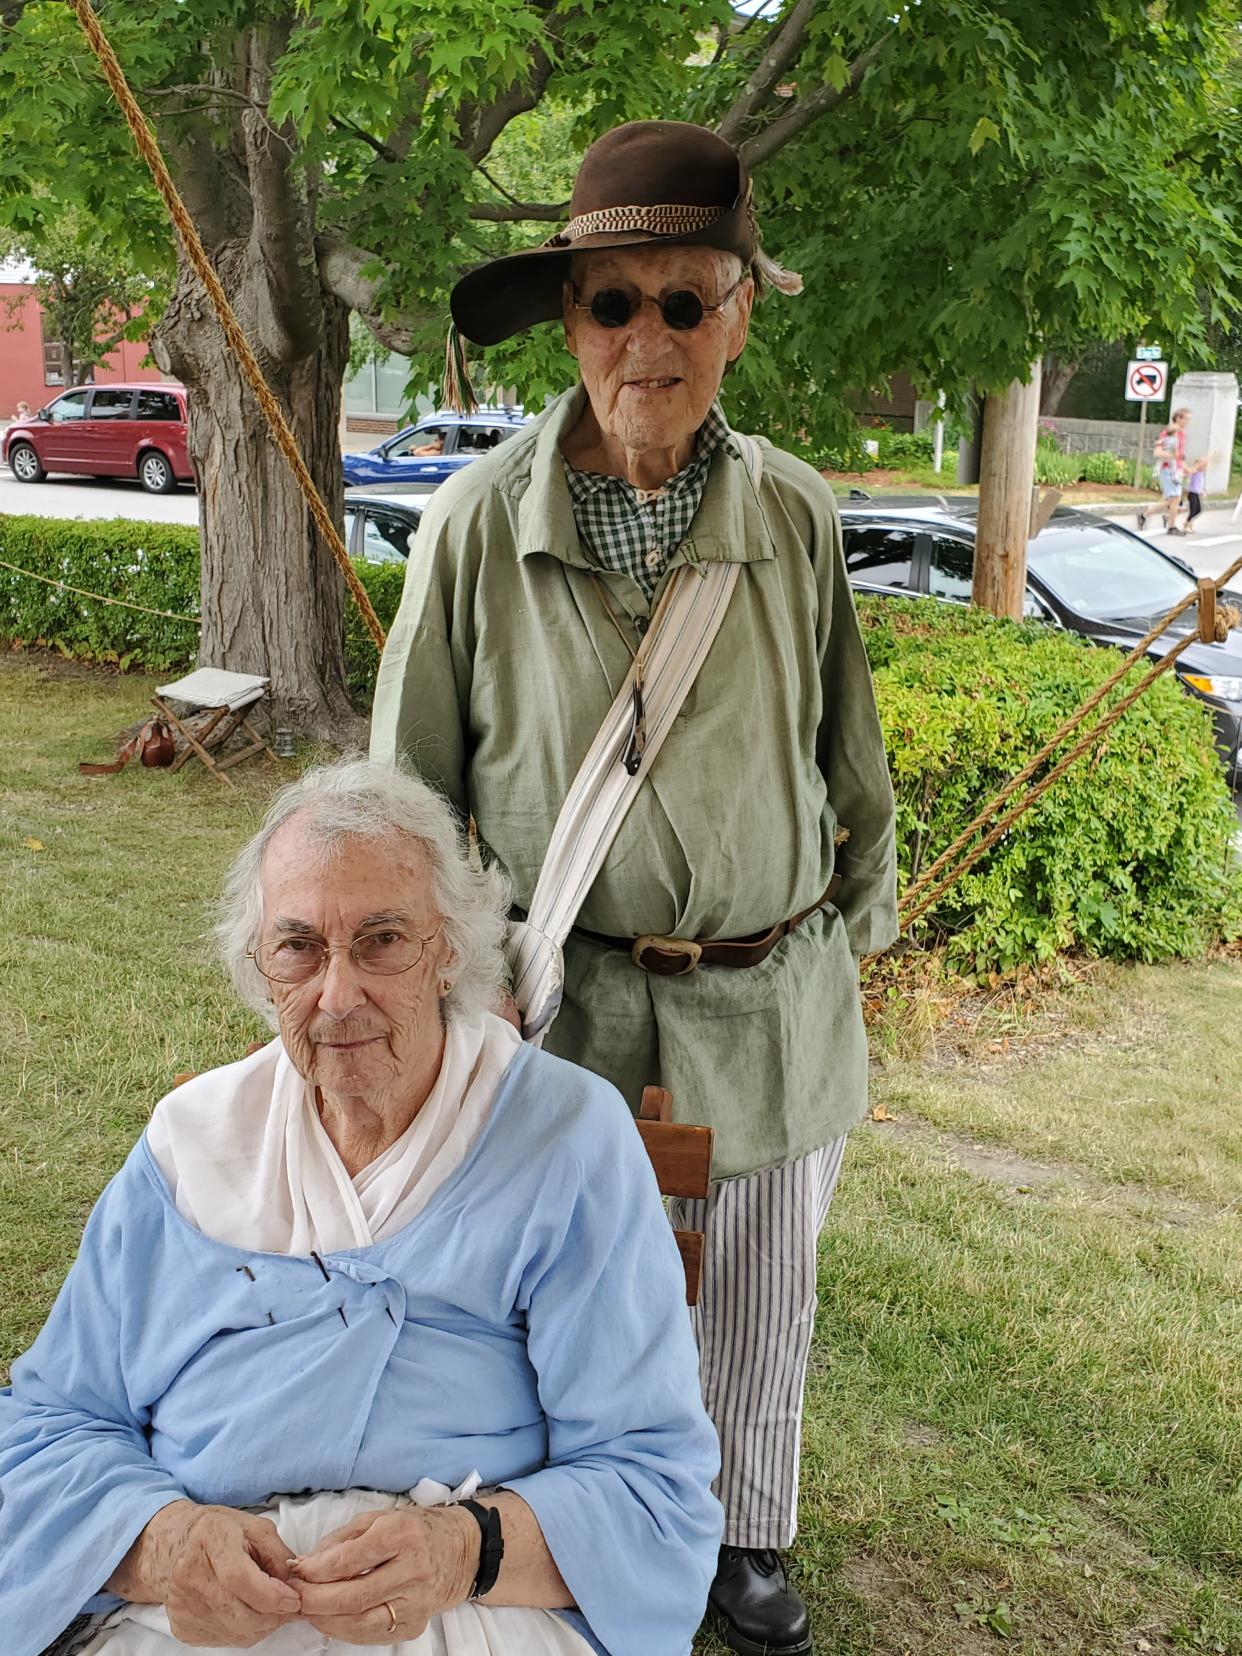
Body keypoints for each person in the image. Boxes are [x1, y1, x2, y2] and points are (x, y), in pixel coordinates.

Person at [371, 121, 899, 1656]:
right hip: (568, 1002)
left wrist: (849, 939)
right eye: (616, 302)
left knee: (755, 1292)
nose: (647, 339)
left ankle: (743, 1536)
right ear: (570, 320)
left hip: (767, 991)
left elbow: (843, 749)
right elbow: (410, 799)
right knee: (570, 1295)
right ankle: (582, 1524)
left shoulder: (791, 514)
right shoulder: (476, 527)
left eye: (686, 300)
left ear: (737, 313)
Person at [0, 759, 722, 1656]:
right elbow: (50, 1425)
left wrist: (465, 1549)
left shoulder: (566, 1141)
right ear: (258, 965)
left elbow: (651, 1478)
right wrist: (163, 1545)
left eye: (382, 940)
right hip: (194, 1619)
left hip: (470, 1614)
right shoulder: (192, 1146)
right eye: (298, 946)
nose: (337, 996)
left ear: (451, 948)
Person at [1138, 406, 1191, 535]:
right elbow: (1158, 452)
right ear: (1178, 418)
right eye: (1186, 419)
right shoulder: (1167, 433)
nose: (1188, 423)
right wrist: (1173, 457)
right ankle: (1171, 526)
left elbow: (1179, 455)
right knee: (1175, 498)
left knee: (1172, 500)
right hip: (1167, 469)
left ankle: (1144, 515)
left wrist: (1184, 468)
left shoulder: (1182, 434)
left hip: (1175, 470)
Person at [1178, 452, 1210, 533]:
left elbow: (1198, 486)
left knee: (1198, 510)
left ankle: (1188, 523)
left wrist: (1202, 491)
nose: (1205, 467)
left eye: (1205, 465)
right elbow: (1189, 471)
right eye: (1204, 465)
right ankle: (1186, 525)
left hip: (1196, 494)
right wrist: (1182, 464)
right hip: (1192, 494)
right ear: (1199, 465)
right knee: (1193, 510)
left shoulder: (1201, 473)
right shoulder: (1195, 471)